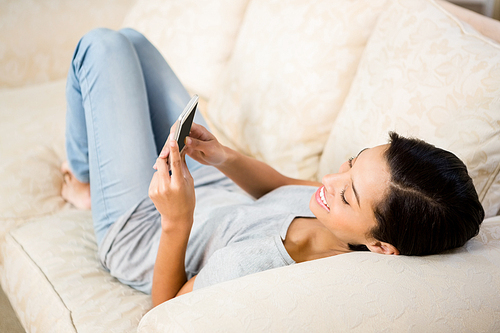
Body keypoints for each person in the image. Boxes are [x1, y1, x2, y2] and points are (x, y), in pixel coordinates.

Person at [61, 28, 485, 307]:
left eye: (346, 193)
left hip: (147, 229)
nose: (330, 180)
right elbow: (280, 187)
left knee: (101, 46)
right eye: (352, 162)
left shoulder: (260, 266)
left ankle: (84, 183)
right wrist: (225, 158)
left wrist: (175, 221)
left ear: (380, 247)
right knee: (132, 41)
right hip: (207, 189)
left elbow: (165, 312)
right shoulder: (343, 216)